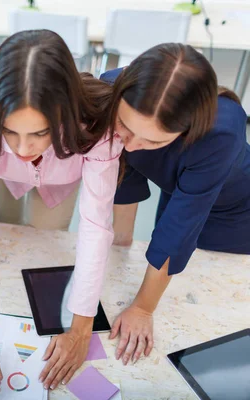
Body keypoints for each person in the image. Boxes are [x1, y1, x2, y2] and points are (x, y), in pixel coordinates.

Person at [0, 30, 123, 394]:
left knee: (48, 242)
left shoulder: (98, 126)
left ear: (64, 113)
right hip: (2, 176)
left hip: (60, 182)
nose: (23, 148)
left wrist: (80, 328)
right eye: (10, 132)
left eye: (40, 133)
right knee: (5, 230)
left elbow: (94, 227)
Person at [105, 43, 250, 366]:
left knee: (212, 289)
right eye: (125, 127)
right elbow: (124, 171)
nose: (130, 143)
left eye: (153, 141)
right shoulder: (111, 89)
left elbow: (179, 230)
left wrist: (143, 308)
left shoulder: (221, 134)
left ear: (188, 128)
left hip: (235, 212)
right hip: (180, 188)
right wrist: (121, 244)